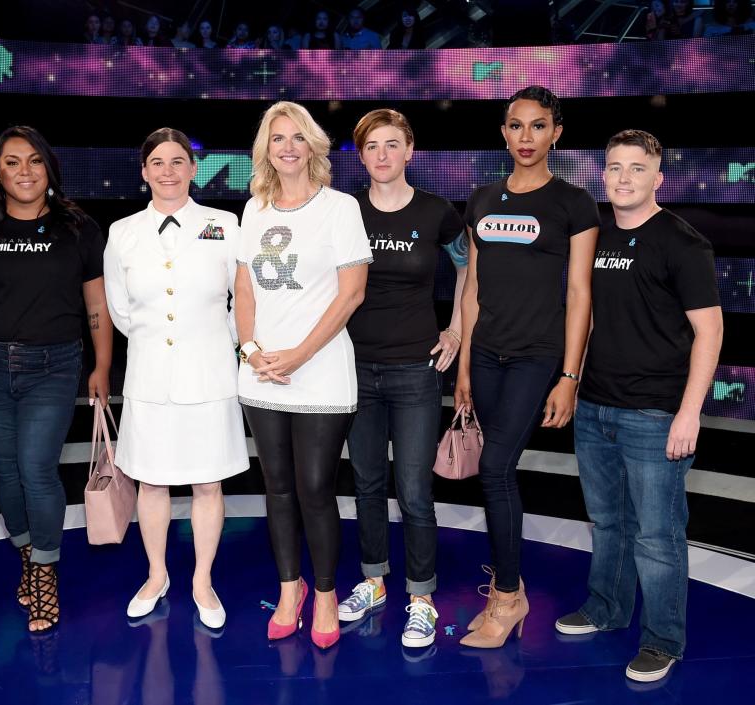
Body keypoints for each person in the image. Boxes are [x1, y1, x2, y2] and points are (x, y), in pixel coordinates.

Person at [555, 130, 722, 683]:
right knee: (608, 522)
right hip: (597, 406)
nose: (623, 178)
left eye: (636, 168)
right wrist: (575, 383)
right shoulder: (598, 239)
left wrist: (689, 412)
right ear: (603, 174)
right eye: (614, 167)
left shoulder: (682, 242)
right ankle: (606, 609)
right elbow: (595, 315)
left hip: (655, 414)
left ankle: (663, 640)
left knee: (658, 535)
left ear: (658, 178)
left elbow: (709, 332)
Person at [0, 126, 112, 633]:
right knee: (5, 473)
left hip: (56, 366)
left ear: (50, 169)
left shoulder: (79, 229)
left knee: (36, 470)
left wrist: (101, 366)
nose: (25, 171)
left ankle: (44, 572)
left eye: (35, 161)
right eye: (13, 162)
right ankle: (26, 555)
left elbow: (97, 305)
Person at [454, 86, 599, 648]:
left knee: (493, 470)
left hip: (537, 357)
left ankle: (509, 598)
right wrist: (464, 366)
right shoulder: (483, 199)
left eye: (538, 127)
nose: (526, 138)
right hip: (486, 354)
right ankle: (506, 588)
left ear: (556, 133)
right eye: (516, 126)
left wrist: (570, 375)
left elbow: (581, 294)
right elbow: (473, 291)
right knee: (500, 474)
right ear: (503, 132)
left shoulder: (574, 203)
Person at [235, 101, 372, 649]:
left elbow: (352, 293)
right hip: (262, 373)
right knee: (278, 489)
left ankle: (323, 594)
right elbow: (243, 289)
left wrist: (298, 355)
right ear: (265, 150)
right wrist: (252, 350)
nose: (287, 146)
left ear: (312, 145)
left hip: (319, 371)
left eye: (296, 137)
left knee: (316, 488)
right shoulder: (255, 208)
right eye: (276, 138)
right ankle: (288, 590)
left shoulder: (340, 209)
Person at [104, 128, 249, 630]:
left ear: (193, 169)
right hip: (148, 377)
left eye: (178, 161)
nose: (168, 171)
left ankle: (202, 580)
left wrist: (218, 341)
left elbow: (241, 300)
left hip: (209, 374)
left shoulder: (224, 224)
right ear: (144, 172)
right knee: (151, 481)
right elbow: (121, 311)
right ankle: (157, 573)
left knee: (208, 482)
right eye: (157, 162)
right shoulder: (121, 232)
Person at [338, 109, 468, 649]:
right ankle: (373, 581)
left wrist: (458, 326)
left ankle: (421, 599)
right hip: (353, 369)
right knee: (367, 484)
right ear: (362, 155)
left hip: (417, 369)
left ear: (410, 150)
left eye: (393, 144)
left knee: (414, 489)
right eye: (372, 146)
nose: (383, 155)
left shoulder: (437, 212)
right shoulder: (344, 213)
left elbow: (470, 265)